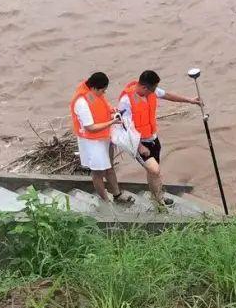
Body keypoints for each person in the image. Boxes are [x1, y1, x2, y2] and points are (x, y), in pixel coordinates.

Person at [118, 69, 202, 206]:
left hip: (153, 139)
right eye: (153, 89)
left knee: (153, 172)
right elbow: (126, 126)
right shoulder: (126, 100)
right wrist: (139, 146)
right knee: (154, 170)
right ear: (144, 87)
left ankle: (158, 199)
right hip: (139, 143)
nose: (155, 92)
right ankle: (158, 200)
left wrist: (190, 101)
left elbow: (168, 95)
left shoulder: (151, 90)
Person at [70, 72, 134, 204]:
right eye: (103, 91)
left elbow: (101, 108)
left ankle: (117, 195)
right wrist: (112, 123)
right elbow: (90, 127)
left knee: (109, 166)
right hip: (92, 141)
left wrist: (112, 112)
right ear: (94, 88)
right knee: (98, 172)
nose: (104, 93)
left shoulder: (93, 93)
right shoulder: (81, 102)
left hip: (103, 136)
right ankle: (105, 200)